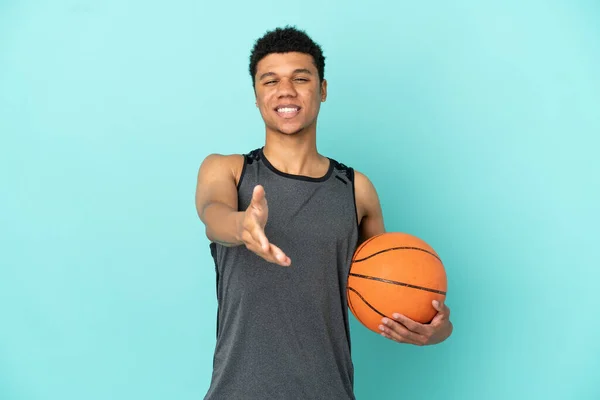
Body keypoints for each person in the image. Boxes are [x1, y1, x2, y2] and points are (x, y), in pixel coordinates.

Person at [195, 26, 453, 400]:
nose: (286, 90)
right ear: (256, 95)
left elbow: (387, 288)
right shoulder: (227, 170)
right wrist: (242, 225)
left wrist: (437, 329)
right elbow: (212, 215)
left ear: (323, 89)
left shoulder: (356, 190)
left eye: (301, 78)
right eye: (270, 81)